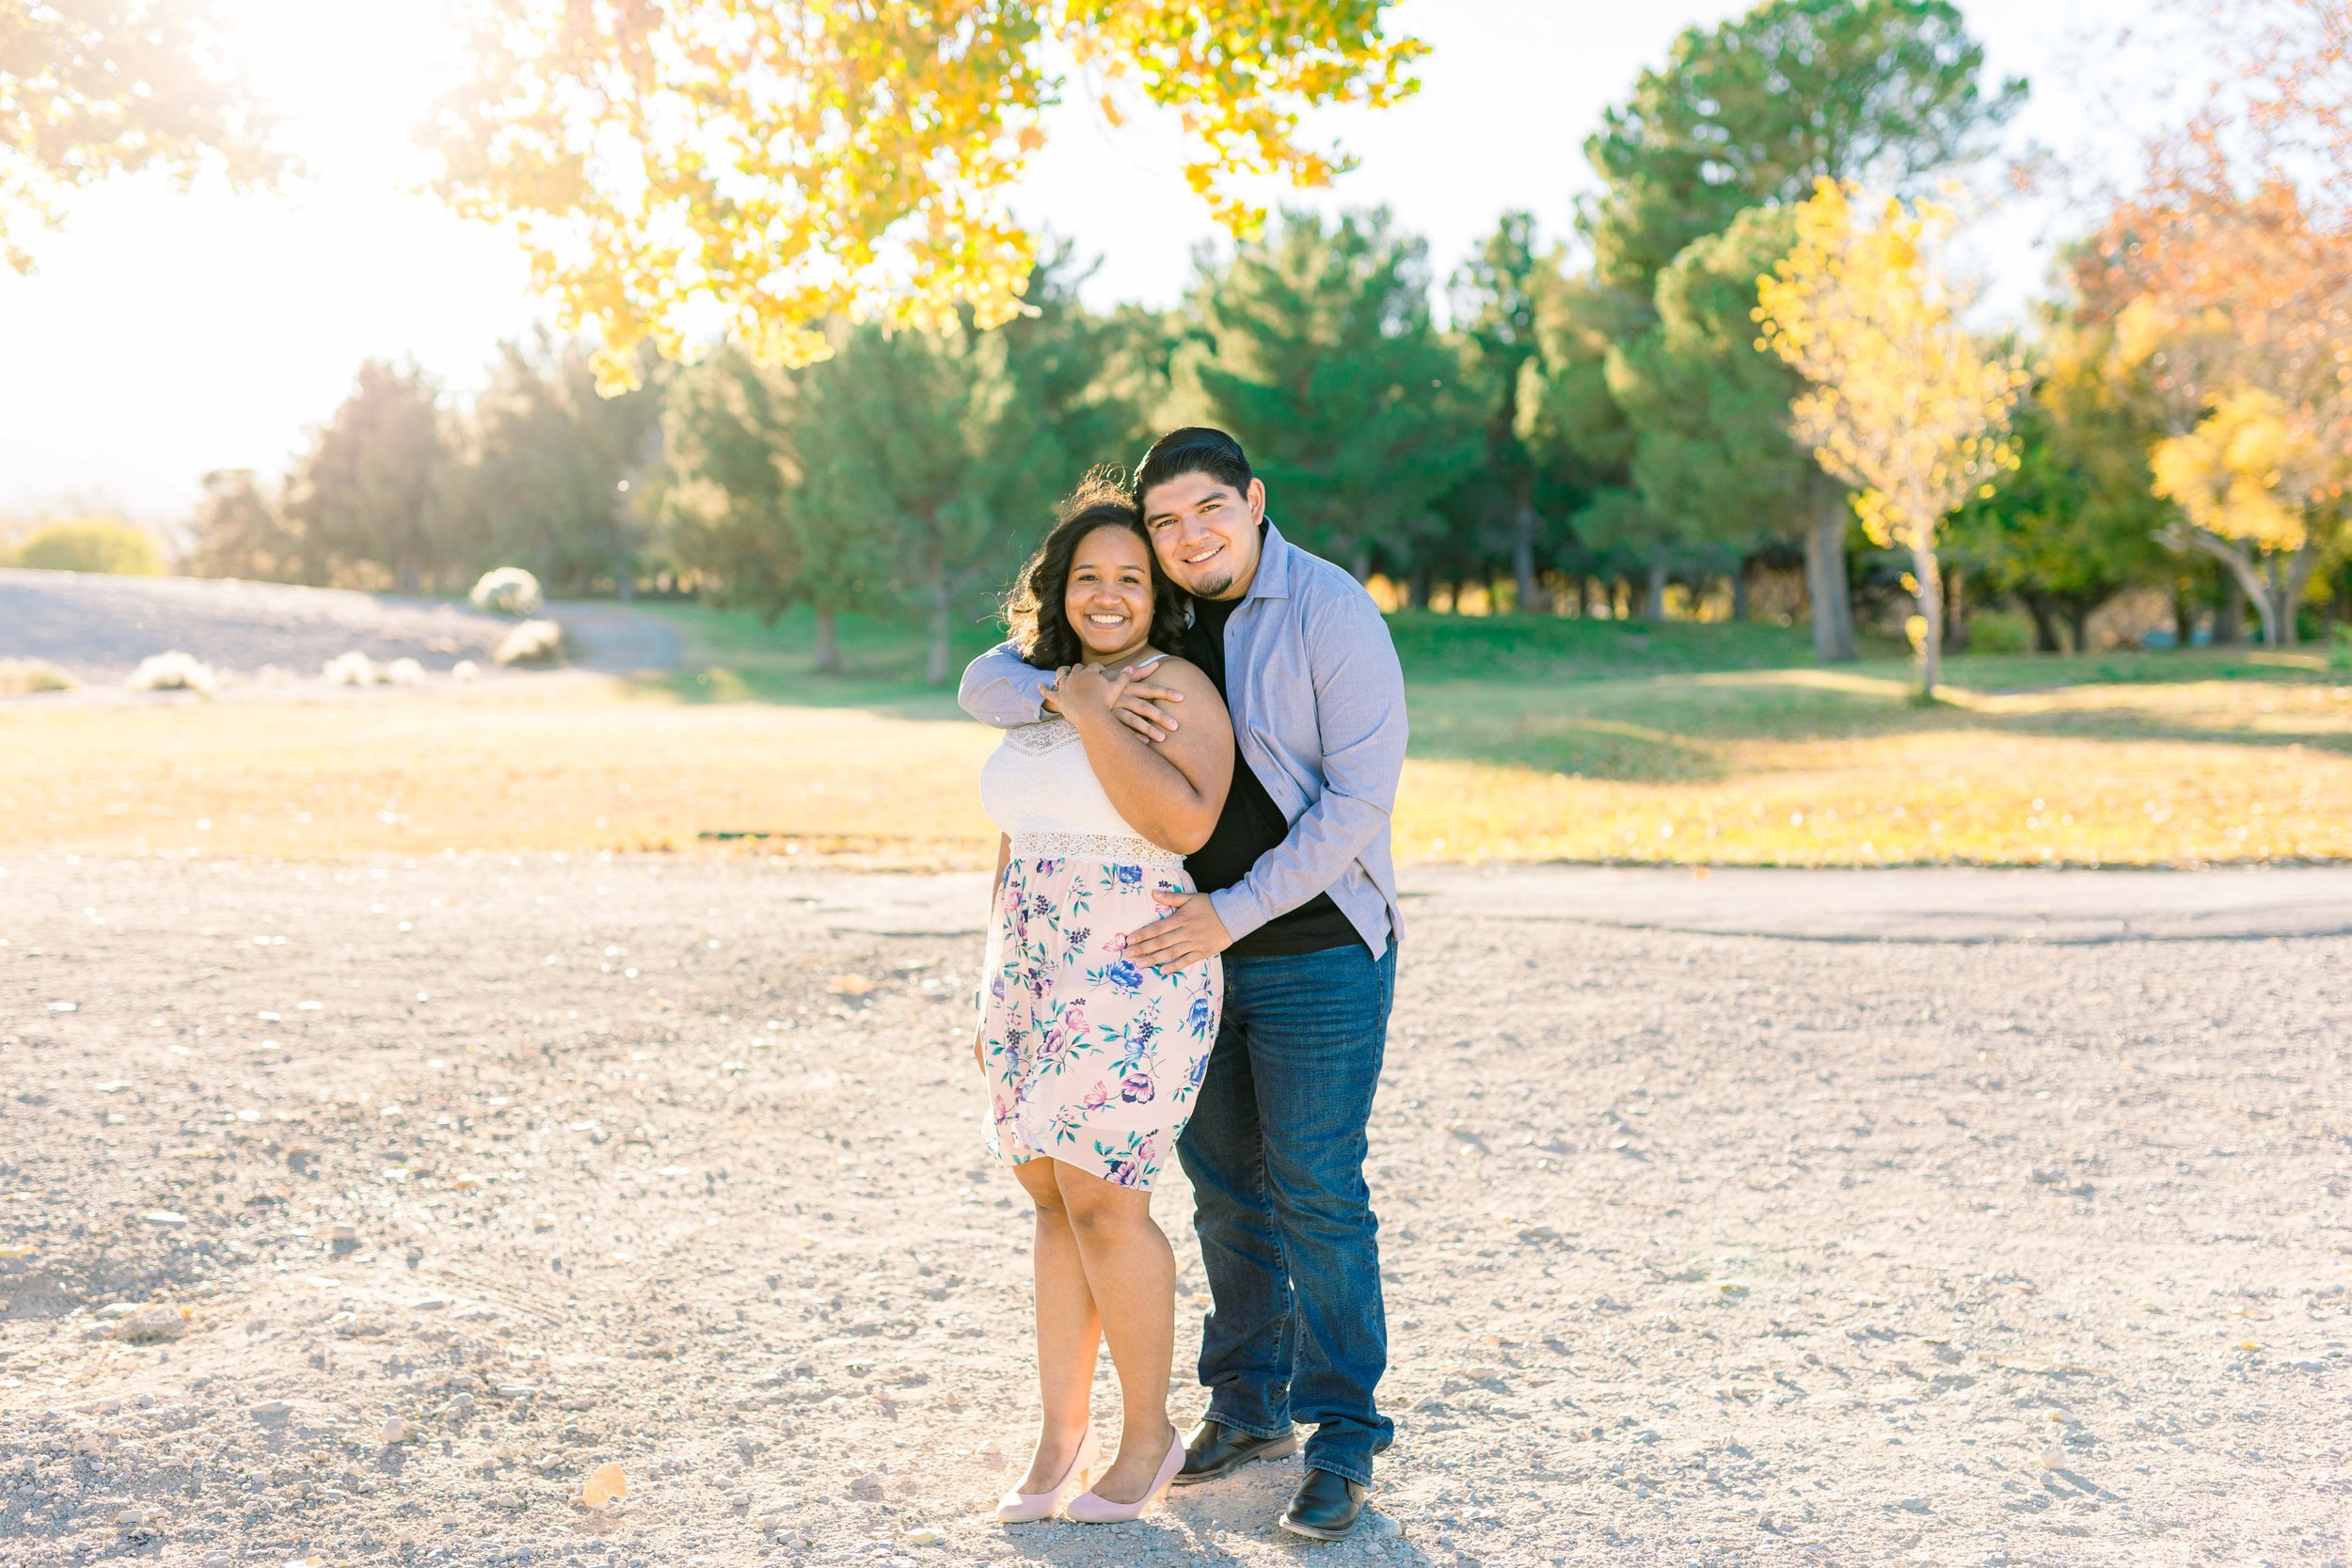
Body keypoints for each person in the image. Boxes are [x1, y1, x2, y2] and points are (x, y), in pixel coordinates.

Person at [961, 428, 1407, 1541]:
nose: (1186, 536)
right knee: (1223, 1194)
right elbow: (991, 676)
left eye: (1207, 510)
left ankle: (1343, 1436)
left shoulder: (1329, 610)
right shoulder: (1159, 616)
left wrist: (1229, 911)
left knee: (1314, 1185)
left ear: (1254, 501)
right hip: (1180, 944)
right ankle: (1249, 1407)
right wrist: (1074, 693)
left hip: (1306, 938)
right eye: (1164, 523)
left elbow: (1355, 805)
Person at [971, 476, 1236, 1526]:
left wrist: (1093, 713)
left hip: (1135, 964)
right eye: (1090, 577)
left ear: (1156, 592)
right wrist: (990, 981)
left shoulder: (1174, 688)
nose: (1110, 594)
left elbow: (1183, 824)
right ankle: (1059, 1429)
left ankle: (1147, 1435)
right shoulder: (1041, 687)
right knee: (1048, 1194)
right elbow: (1014, 836)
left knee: (1106, 1200)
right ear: (1060, 589)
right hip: (1028, 964)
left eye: (1132, 575)